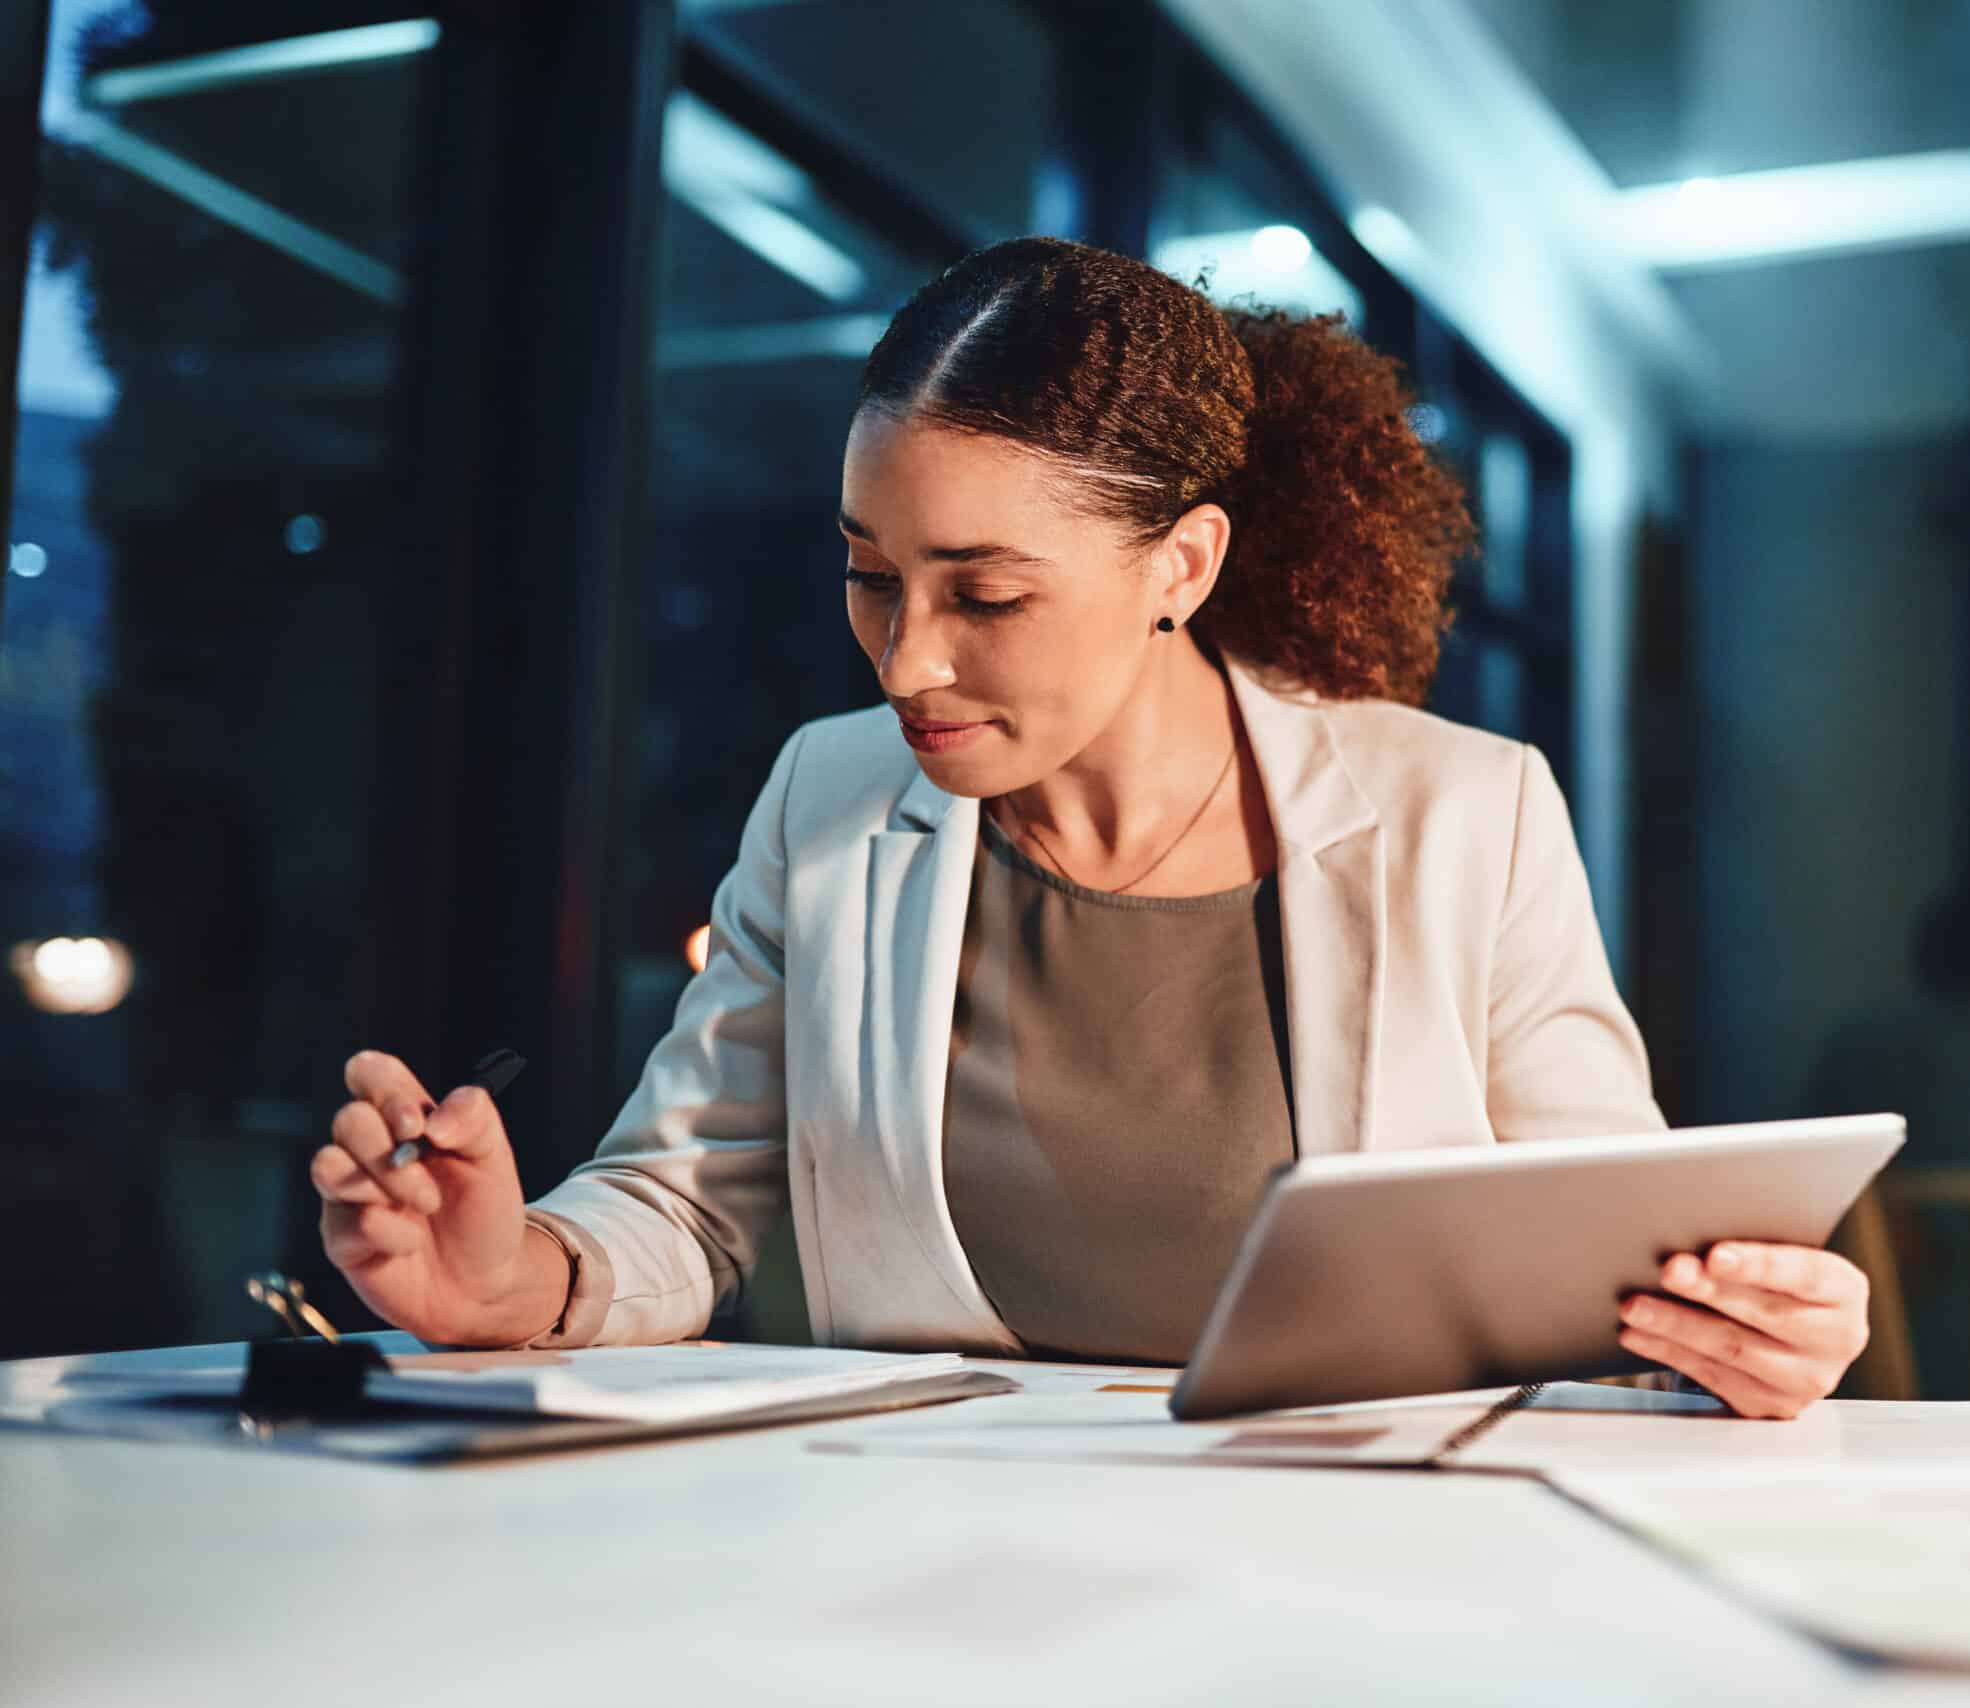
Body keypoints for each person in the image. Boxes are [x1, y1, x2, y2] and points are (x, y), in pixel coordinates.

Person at [307, 237, 1870, 1418]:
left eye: (985, 594)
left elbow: (1607, 1262)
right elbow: (684, 1197)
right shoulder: (829, 800)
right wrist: (508, 1276)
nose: (905, 662)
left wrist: (1746, 1333)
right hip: (931, 1566)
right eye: (870, 576)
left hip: (1354, 1575)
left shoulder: (1464, 814)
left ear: (1182, 566)